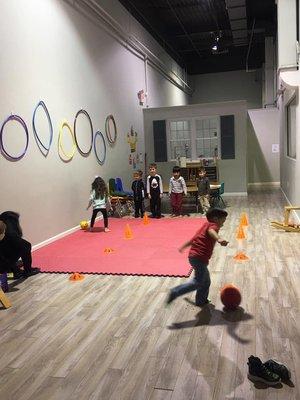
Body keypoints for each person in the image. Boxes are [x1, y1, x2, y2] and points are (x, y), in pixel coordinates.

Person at [166, 208, 228, 306]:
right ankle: (176, 291)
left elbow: (194, 239)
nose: (223, 224)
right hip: (199, 258)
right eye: (223, 221)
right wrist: (219, 239)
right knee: (198, 282)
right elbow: (212, 231)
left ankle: (201, 301)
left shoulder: (205, 225)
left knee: (206, 281)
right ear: (216, 219)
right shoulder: (213, 226)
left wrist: (183, 247)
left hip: (194, 257)